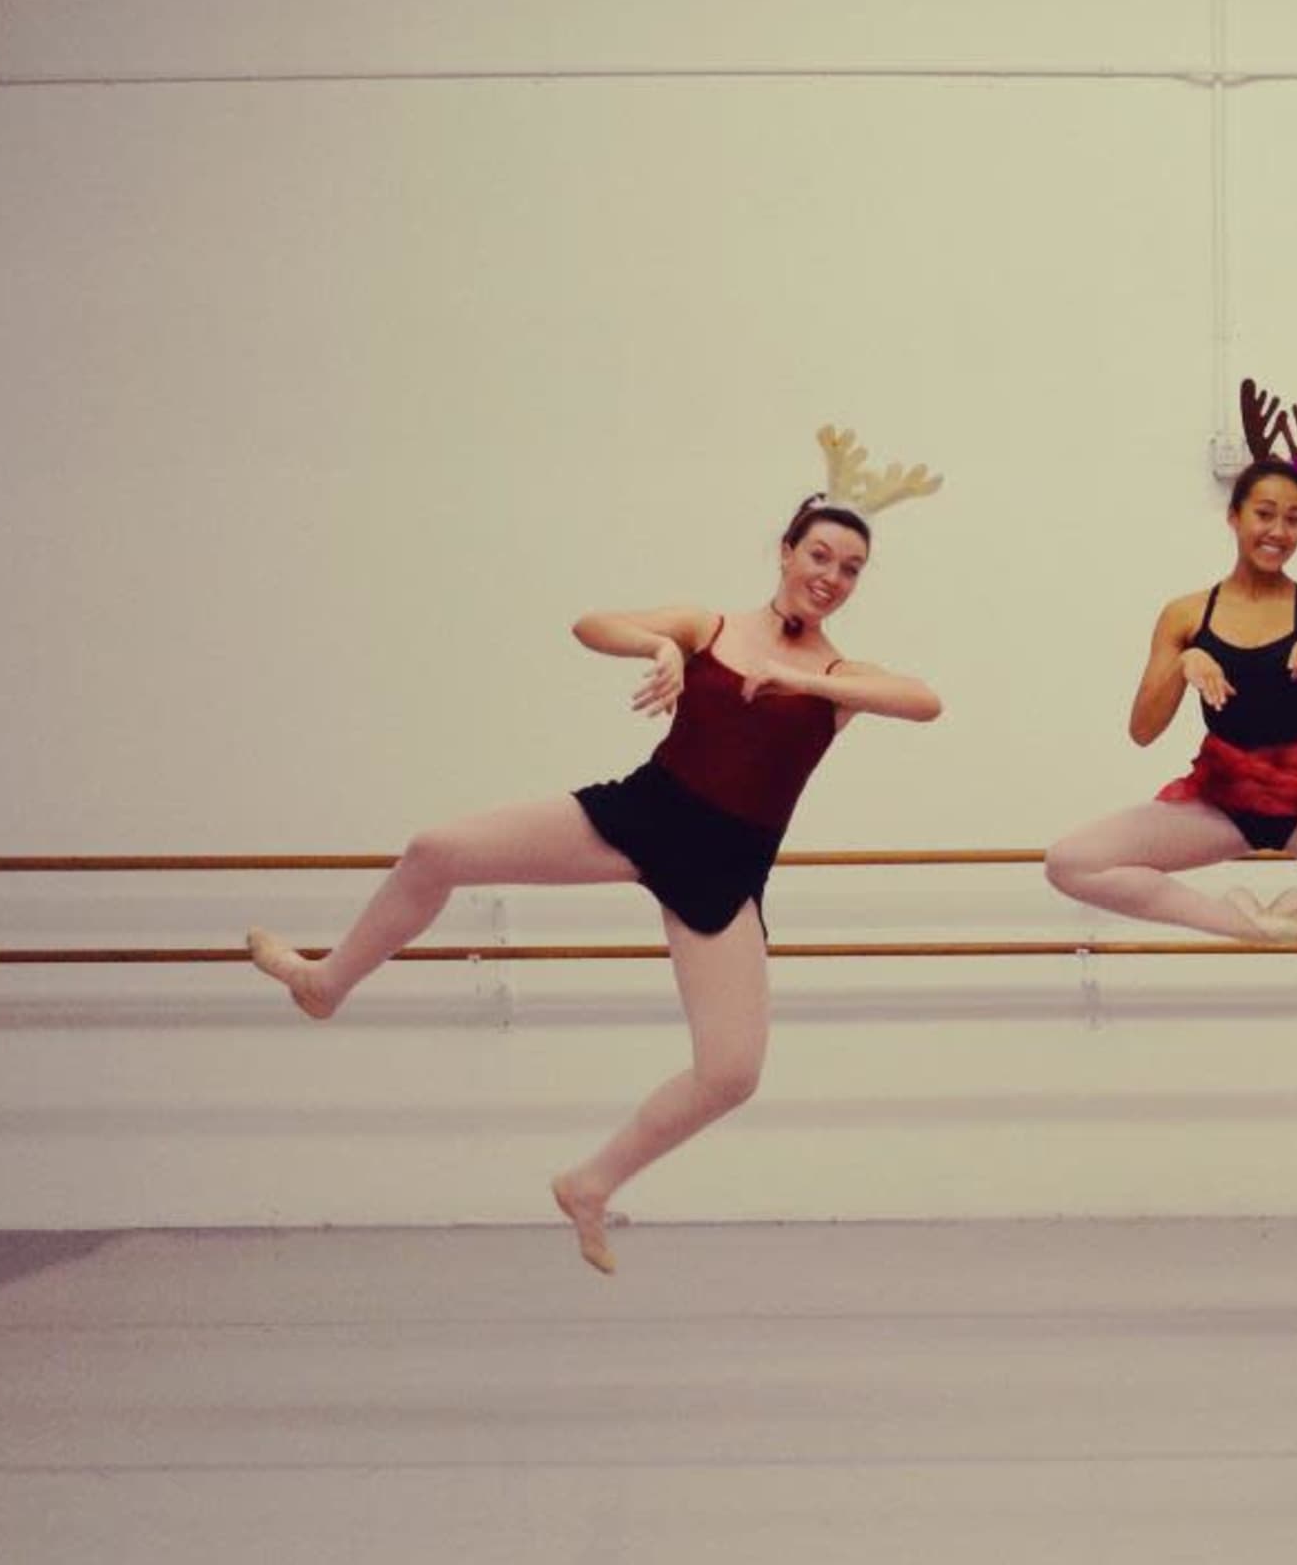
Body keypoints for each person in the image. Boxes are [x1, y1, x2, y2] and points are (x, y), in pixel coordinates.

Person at [245, 428, 947, 1269]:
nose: (830, 578)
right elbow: (590, 623)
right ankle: (325, 983)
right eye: (819, 556)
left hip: (724, 868)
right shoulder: (709, 624)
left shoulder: (841, 677)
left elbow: (924, 700)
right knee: (435, 849)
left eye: (850, 569)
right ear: (787, 551)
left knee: (731, 1073)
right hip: (644, 814)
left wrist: (810, 682)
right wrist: (659, 647)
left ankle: (590, 1184)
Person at [1043, 384, 1297, 944]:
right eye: (1264, 514)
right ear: (1234, 517)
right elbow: (1142, 730)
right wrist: (1185, 659)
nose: (1278, 532)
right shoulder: (1185, 614)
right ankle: (1237, 923)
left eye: (1294, 519)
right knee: (1069, 862)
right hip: (1218, 799)